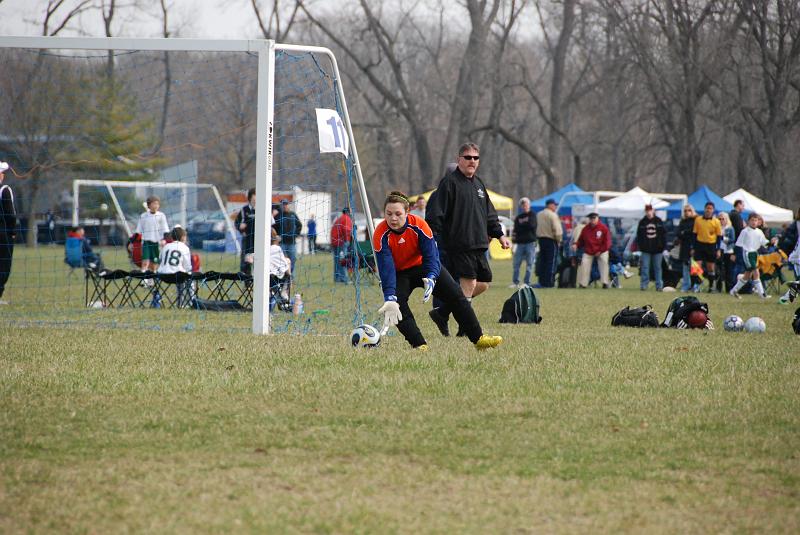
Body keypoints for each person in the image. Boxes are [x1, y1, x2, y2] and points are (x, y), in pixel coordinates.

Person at [374, 191, 502, 351]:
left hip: (424, 267)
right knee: (396, 306)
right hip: (400, 273)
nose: (393, 218)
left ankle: (479, 339)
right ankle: (419, 345)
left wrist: (432, 276)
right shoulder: (380, 233)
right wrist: (390, 297)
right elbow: (386, 268)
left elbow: (432, 257)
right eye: (389, 214)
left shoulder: (419, 225)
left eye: (398, 214)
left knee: (457, 296)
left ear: (407, 212)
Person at [425, 142, 510, 337]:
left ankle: (442, 313)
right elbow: (435, 214)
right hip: (459, 245)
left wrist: (500, 235)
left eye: (475, 158)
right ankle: (466, 328)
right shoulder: (450, 183)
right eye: (468, 157)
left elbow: (490, 215)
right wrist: (431, 239)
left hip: (479, 245)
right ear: (459, 160)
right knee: (468, 284)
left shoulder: (479, 185)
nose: (472, 161)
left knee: (484, 283)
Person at [730, 212, 769, 299]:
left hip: (755, 254)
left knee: (747, 276)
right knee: (756, 272)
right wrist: (734, 254)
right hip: (747, 253)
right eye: (752, 220)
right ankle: (762, 294)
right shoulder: (745, 231)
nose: (754, 222)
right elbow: (738, 244)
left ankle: (734, 291)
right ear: (748, 221)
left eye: (756, 220)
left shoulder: (759, 232)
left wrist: (771, 242)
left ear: (758, 221)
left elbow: (764, 242)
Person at [572, 212, 611, 288]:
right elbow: (581, 240)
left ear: (597, 218)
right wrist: (576, 244)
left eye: (594, 218)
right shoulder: (586, 229)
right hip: (589, 251)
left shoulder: (603, 228)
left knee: (604, 262)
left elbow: (607, 243)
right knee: (584, 264)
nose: (592, 220)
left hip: (601, 250)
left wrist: (600, 251)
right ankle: (583, 284)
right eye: (591, 218)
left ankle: (605, 282)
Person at [157, 226, 193, 306]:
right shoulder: (185, 248)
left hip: (162, 276)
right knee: (189, 277)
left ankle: (157, 301)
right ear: (183, 237)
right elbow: (188, 267)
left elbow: (160, 260)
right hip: (177, 277)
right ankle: (190, 302)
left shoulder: (166, 246)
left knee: (180, 275)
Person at [693, 201, 723, 292]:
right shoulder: (698, 219)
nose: (708, 210)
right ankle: (696, 286)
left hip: (711, 245)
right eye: (707, 208)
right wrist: (693, 247)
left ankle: (711, 286)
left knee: (710, 267)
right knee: (697, 266)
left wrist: (718, 249)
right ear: (704, 209)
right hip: (700, 245)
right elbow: (694, 234)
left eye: (710, 208)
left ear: (713, 210)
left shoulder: (716, 222)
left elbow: (719, 237)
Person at [636, 203, 666, 291]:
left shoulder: (658, 221)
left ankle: (659, 286)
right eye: (647, 211)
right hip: (645, 249)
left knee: (658, 268)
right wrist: (641, 246)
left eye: (650, 210)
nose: (648, 212)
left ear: (653, 210)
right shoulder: (642, 222)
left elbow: (663, 235)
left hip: (657, 249)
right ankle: (644, 285)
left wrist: (662, 247)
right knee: (645, 267)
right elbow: (639, 236)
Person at [135, 195, 170, 273]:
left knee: (154, 264)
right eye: (154, 204)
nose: (156, 206)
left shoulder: (161, 215)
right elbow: (138, 231)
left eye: (157, 204)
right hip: (146, 242)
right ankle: (144, 280)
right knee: (145, 262)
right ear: (149, 205)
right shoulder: (143, 216)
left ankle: (152, 281)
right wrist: (132, 242)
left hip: (157, 243)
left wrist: (164, 240)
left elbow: (166, 229)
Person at [0, 161, 17, 305]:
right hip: (2, 235)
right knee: (4, 265)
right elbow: (10, 215)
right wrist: (12, 232)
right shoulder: (4, 190)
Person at [536, 198, 563, 288]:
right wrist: (559, 240)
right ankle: (549, 282)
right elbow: (557, 230)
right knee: (551, 262)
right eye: (554, 205)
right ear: (550, 205)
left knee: (542, 261)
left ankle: (541, 281)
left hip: (541, 239)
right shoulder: (553, 215)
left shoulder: (539, 214)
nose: (555, 206)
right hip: (551, 240)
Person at [510, 197, 536, 288]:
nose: (524, 206)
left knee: (530, 263)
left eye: (526, 205)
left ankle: (527, 282)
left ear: (529, 205)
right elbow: (516, 229)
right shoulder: (518, 217)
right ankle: (515, 282)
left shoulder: (532, 215)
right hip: (520, 243)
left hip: (530, 243)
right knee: (516, 264)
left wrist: (522, 227)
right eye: (522, 205)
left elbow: (532, 225)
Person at [273, 199, 302, 275]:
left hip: (292, 243)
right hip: (282, 243)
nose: (285, 206)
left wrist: (296, 234)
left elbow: (299, 225)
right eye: (283, 204)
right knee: (281, 261)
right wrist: (276, 236)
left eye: (286, 204)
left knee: (292, 260)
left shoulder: (293, 214)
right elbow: (273, 227)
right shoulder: (278, 216)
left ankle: (291, 278)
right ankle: (282, 277)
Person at [234, 187, 256, 274]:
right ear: (250, 198)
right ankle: (247, 283)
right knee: (246, 261)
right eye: (254, 197)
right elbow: (237, 223)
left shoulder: (262, 209)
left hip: (259, 240)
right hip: (247, 240)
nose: (255, 200)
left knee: (259, 261)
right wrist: (240, 227)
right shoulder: (244, 210)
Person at [676, 205, 696, 292]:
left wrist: (684, 232)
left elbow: (693, 232)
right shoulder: (682, 221)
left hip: (693, 246)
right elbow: (678, 233)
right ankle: (686, 285)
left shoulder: (696, 220)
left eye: (689, 210)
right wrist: (684, 232)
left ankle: (695, 285)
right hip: (684, 247)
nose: (687, 212)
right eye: (685, 210)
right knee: (685, 267)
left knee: (694, 267)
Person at [330, 207, 353, 283]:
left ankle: (337, 278)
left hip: (335, 242)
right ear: (348, 212)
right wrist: (347, 240)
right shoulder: (346, 219)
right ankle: (344, 279)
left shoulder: (339, 218)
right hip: (341, 242)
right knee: (343, 261)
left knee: (337, 261)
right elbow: (346, 229)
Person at [269, 228, 292, 301]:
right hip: (274, 278)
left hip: (259, 278)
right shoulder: (276, 248)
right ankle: (285, 290)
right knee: (287, 261)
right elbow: (284, 265)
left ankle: (279, 293)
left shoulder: (257, 248)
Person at [717, 211, 736, 293]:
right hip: (719, 250)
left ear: (726, 219)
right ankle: (718, 288)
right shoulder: (717, 228)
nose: (721, 220)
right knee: (719, 270)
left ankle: (729, 288)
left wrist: (724, 238)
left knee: (729, 270)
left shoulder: (730, 228)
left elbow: (733, 239)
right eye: (719, 219)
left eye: (723, 219)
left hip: (728, 251)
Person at [729, 199, 746, 280]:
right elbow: (739, 231)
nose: (743, 208)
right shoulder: (736, 215)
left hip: (730, 243)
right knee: (738, 264)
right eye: (743, 205)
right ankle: (736, 283)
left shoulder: (730, 214)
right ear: (738, 205)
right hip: (737, 243)